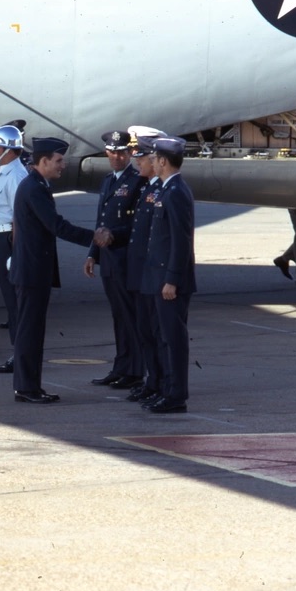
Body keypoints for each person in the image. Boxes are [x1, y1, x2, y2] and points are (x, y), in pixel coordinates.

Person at [10, 137, 97, 403]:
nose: (63, 165)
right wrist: (95, 239)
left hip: (32, 271)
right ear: (44, 161)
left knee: (32, 331)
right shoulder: (34, 188)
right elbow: (56, 225)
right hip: (32, 272)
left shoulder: (35, 185)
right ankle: (27, 388)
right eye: (58, 161)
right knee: (30, 332)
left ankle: (28, 387)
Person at [84, 130, 143, 390]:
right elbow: (101, 223)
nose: (117, 156)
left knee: (130, 317)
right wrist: (92, 254)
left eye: (122, 152)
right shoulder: (108, 181)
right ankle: (121, 367)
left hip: (125, 258)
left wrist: (113, 236)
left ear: (130, 153)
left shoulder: (137, 181)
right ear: (106, 152)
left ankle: (134, 371)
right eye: (112, 152)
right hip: (108, 259)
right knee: (118, 316)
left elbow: (138, 225)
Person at [144, 136, 196, 413]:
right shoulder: (168, 189)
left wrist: (172, 279)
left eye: (154, 158)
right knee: (164, 337)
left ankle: (176, 396)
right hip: (161, 278)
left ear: (163, 161)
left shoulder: (176, 191)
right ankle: (167, 390)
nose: (151, 162)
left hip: (170, 281)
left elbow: (181, 240)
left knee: (173, 339)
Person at [123, 127, 167, 405]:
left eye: (141, 157)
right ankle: (153, 382)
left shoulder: (163, 190)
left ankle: (163, 384)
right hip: (141, 274)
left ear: (154, 159)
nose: (137, 161)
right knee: (145, 332)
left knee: (157, 333)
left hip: (153, 274)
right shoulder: (147, 188)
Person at [0, 124, 29, 374]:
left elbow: (19, 218)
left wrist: (15, 251)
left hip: (7, 241)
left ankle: (20, 354)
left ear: (10, 149)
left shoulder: (14, 176)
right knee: (11, 301)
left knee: (16, 303)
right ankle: (19, 353)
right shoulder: (4, 172)